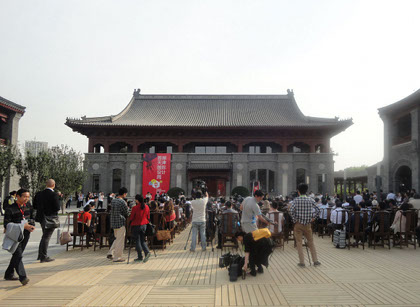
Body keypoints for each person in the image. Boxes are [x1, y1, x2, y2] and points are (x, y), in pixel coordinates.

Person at [3, 188, 35, 285]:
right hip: (15, 235)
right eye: (24, 196)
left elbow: (32, 216)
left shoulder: (28, 206)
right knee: (18, 255)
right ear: (17, 197)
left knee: (17, 255)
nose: (26, 199)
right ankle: (23, 277)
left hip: (26, 234)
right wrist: (22, 226)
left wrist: (31, 225)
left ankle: (9, 273)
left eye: (28, 197)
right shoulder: (10, 209)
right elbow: (6, 224)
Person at [289, 183, 321, 267]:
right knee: (311, 242)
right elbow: (318, 210)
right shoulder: (311, 200)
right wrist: (313, 218)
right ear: (306, 191)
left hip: (298, 224)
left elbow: (291, 211)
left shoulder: (296, 200)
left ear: (298, 191)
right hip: (308, 224)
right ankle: (315, 261)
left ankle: (302, 262)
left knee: (299, 243)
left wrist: (295, 220)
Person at [33, 179, 60, 263]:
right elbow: (57, 207)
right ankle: (43, 256)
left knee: (44, 236)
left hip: (41, 217)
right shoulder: (54, 194)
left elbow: (34, 206)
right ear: (54, 185)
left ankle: (41, 255)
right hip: (50, 218)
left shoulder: (39, 194)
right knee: (46, 237)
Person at [107, 187, 129, 262]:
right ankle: (117, 257)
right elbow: (127, 213)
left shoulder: (113, 201)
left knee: (117, 239)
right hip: (120, 222)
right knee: (120, 241)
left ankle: (110, 252)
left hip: (113, 222)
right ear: (124, 194)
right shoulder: (122, 202)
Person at [129, 194, 151, 263]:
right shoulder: (147, 207)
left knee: (137, 241)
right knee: (142, 240)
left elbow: (131, 217)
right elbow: (148, 217)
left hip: (136, 225)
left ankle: (140, 256)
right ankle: (147, 252)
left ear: (137, 200)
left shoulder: (134, 208)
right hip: (144, 225)